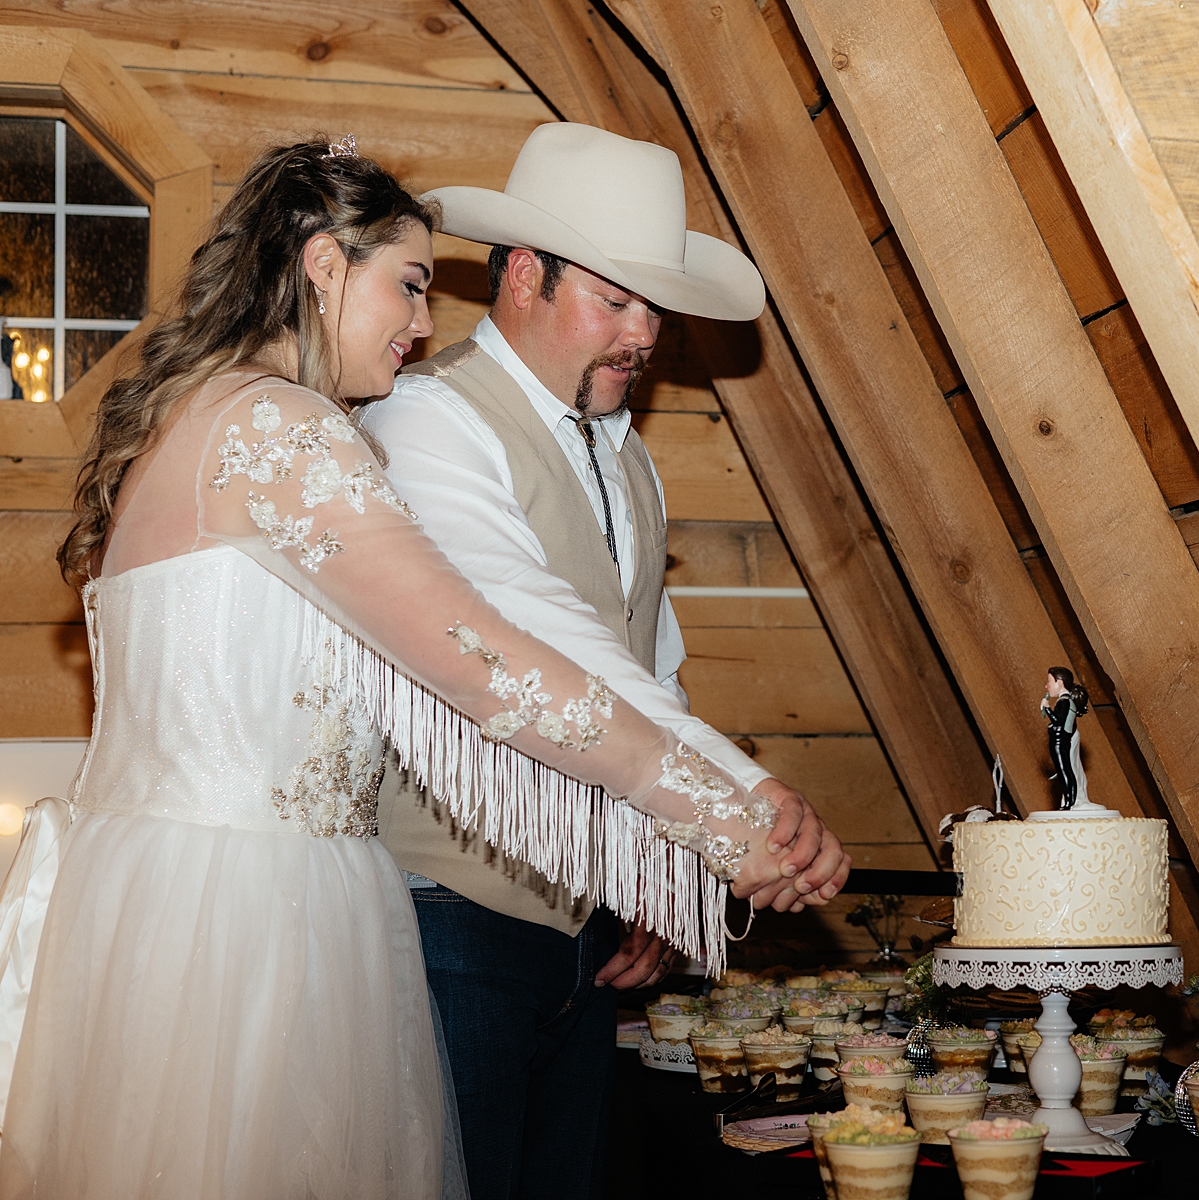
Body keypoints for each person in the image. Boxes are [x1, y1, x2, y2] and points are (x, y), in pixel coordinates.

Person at [0, 139, 811, 1200]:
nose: (423, 322)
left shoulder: (189, 420)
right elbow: (482, 662)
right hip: (263, 919)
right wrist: (718, 824)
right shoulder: (285, 429)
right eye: (408, 285)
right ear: (322, 265)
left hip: (163, 904)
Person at [363, 122, 848, 1199]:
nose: (643, 335)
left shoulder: (628, 457)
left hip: (584, 938)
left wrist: (652, 881)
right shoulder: (428, 422)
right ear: (524, 274)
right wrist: (732, 804)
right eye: (616, 301)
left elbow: (649, 668)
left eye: (654, 309)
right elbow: (545, 642)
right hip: (446, 917)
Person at [1043, 666, 1092, 810]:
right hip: (1061, 740)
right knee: (1066, 770)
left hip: (1061, 741)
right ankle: (1070, 801)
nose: (1047, 686)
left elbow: (1058, 721)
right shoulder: (1065, 701)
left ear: (1060, 682)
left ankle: (1070, 802)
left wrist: (1046, 708)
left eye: (1049, 681)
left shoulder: (1064, 701)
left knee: (1065, 771)